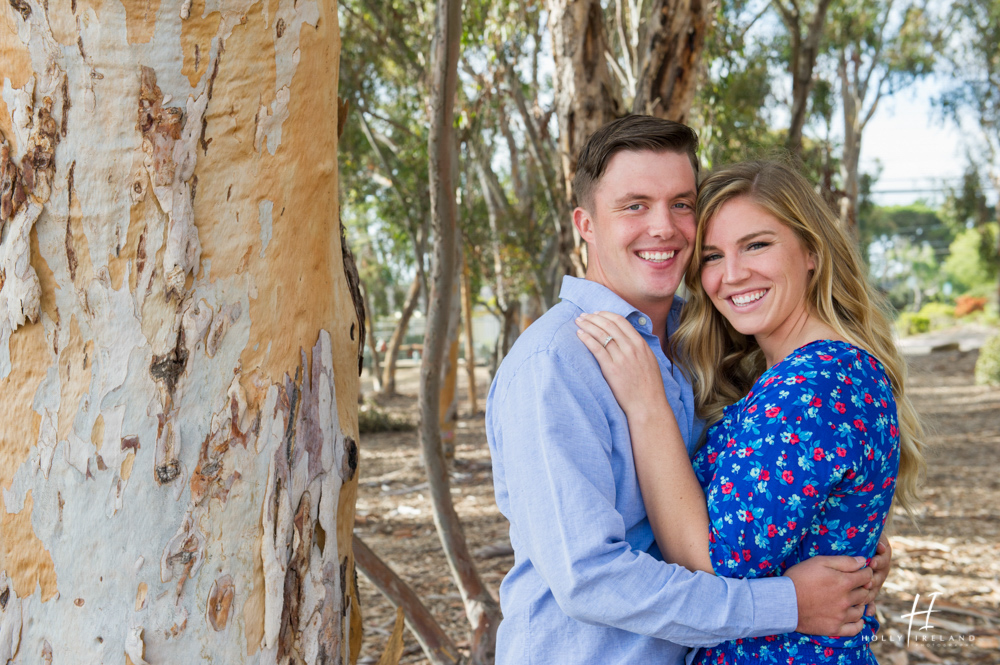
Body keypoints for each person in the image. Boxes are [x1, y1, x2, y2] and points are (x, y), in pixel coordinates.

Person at [485, 116, 892, 665]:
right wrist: (788, 602)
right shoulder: (556, 363)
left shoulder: (707, 341)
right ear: (585, 223)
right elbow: (589, 580)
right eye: (634, 206)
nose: (664, 227)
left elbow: (771, 494)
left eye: (681, 203)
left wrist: (845, 543)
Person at [576, 159, 924, 664]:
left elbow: (715, 568)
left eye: (756, 244)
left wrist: (647, 404)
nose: (732, 275)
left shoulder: (816, 384)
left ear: (811, 250)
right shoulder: (791, 374)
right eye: (713, 256)